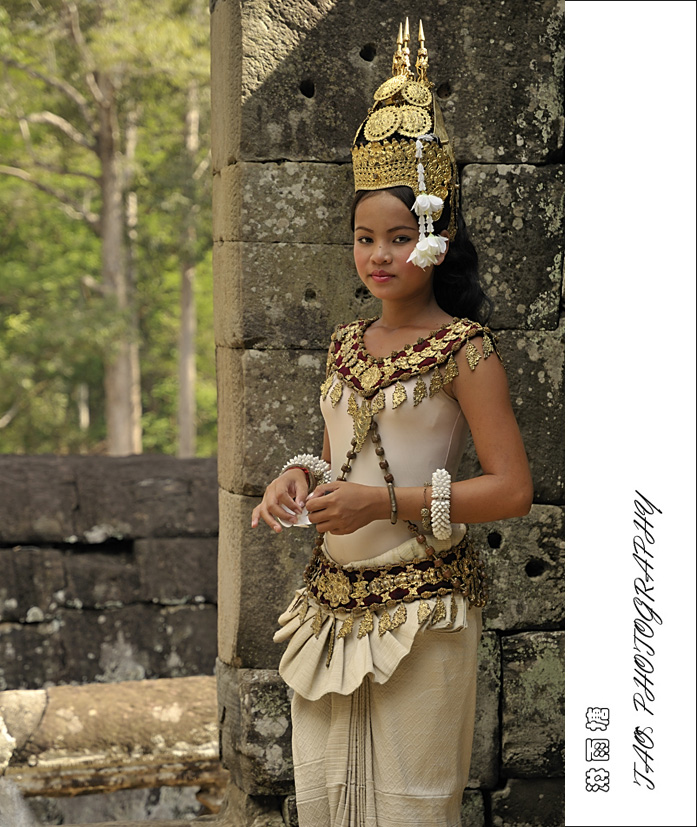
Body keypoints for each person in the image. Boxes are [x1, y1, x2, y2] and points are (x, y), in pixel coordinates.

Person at [252, 19, 533, 827]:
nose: (379, 255)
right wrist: (299, 474)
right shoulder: (346, 341)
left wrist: (384, 504)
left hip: (423, 606)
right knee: (326, 803)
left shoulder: (464, 348)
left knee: (410, 809)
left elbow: (511, 489)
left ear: (436, 241)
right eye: (364, 238)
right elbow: (346, 449)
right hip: (329, 601)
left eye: (401, 238)